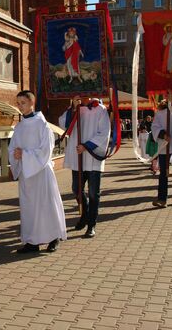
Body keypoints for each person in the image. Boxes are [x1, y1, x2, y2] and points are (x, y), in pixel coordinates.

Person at [9, 91, 67, 253]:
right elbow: (13, 146)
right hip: (26, 175)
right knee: (29, 207)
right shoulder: (19, 126)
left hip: (41, 172)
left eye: (23, 103)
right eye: (18, 103)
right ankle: (32, 241)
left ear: (31, 103)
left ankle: (53, 238)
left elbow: (46, 151)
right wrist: (15, 154)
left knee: (45, 205)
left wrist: (25, 155)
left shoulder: (43, 125)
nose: (20, 106)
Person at [58, 97, 111, 238]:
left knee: (94, 193)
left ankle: (91, 224)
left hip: (92, 157)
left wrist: (87, 146)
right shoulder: (75, 109)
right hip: (78, 157)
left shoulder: (100, 109)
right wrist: (74, 108)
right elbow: (64, 126)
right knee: (76, 189)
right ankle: (85, 215)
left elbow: (104, 132)